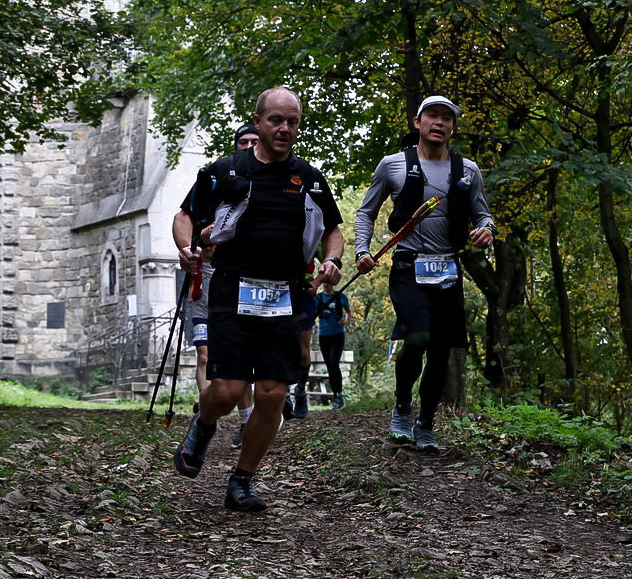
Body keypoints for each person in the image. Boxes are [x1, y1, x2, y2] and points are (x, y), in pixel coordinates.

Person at [173, 87, 344, 511]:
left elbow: (332, 231)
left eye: (292, 122)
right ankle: (205, 422)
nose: (284, 129)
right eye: (275, 121)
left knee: (271, 394)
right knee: (228, 391)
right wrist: (187, 246)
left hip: (285, 295)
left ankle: (242, 480)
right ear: (259, 120)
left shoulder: (308, 178)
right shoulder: (226, 171)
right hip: (232, 289)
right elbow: (185, 216)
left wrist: (332, 260)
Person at [354, 95, 494, 452]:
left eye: (447, 118)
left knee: (441, 350)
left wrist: (486, 231)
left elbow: (482, 215)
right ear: (417, 122)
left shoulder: (468, 170)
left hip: (447, 267)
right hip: (407, 263)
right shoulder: (394, 165)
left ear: (452, 128)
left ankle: (426, 422)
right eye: (432, 115)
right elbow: (366, 212)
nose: (440, 122)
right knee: (417, 339)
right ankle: (402, 407)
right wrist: (362, 250)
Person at [176, 123, 260, 448]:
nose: (249, 146)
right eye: (243, 141)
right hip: (205, 278)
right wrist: (187, 248)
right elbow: (183, 216)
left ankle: (244, 421)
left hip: (244, 281)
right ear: (235, 145)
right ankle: (205, 414)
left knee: (242, 359)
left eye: (254, 141)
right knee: (203, 354)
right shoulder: (216, 176)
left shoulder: (272, 181)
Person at [315, 279, 350, 409]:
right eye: (324, 282)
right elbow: (312, 311)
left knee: (334, 363)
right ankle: (336, 396)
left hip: (337, 334)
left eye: (328, 282)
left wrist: (346, 321)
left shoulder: (340, 296)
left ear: (333, 283)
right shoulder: (318, 297)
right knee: (330, 366)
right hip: (323, 335)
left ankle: (339, 395)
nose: (326, 284)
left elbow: (348, 311)